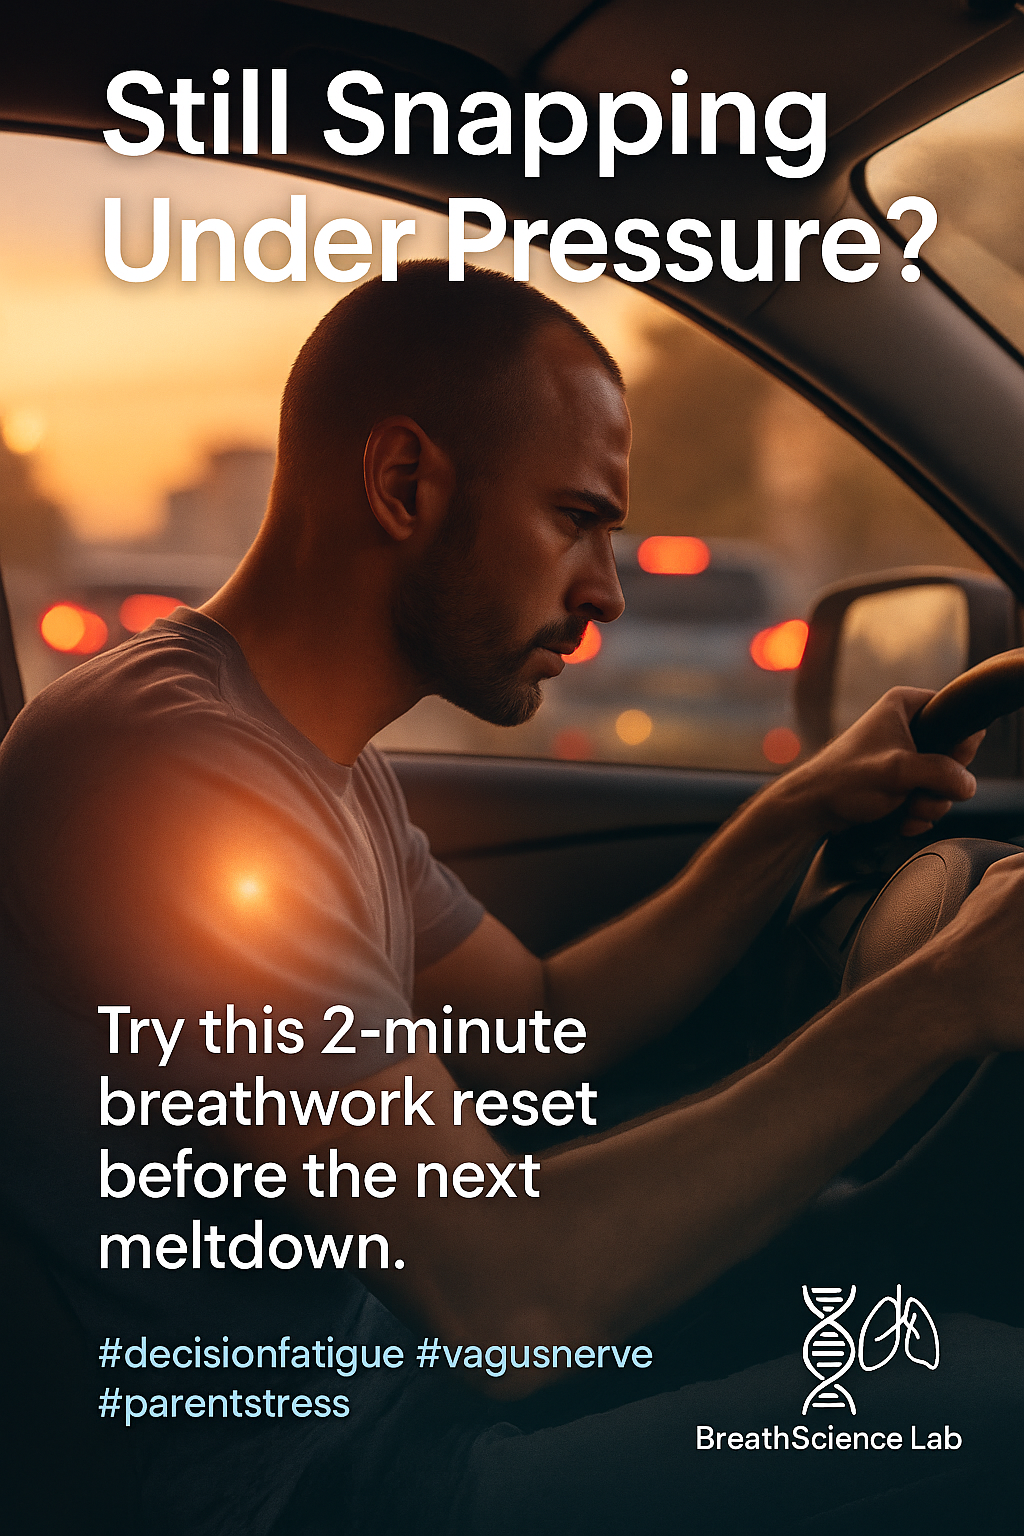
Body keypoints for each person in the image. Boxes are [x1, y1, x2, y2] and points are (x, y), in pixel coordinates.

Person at [0, 261, 1021, 1536]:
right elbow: (510, 1305)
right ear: (405, 485)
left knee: (865, 1303)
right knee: (995, 1402)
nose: (605, 588)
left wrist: (795, 810)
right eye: (576, 518)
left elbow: (546, 1016)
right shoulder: (167, 775)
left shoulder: (310, 763)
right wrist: (941, 1000)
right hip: (280, 1489)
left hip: (369, 1379)